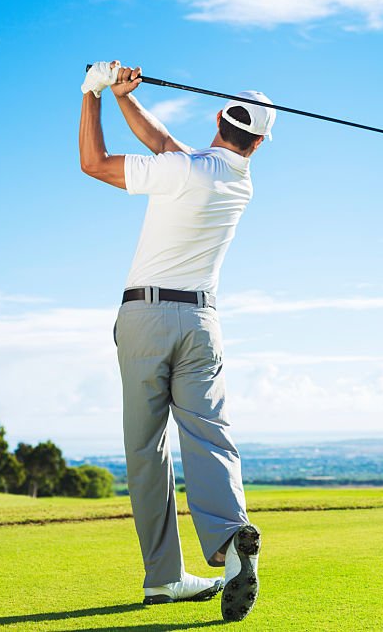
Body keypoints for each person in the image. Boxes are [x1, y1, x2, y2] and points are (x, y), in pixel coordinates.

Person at [78, 61, 271, 622]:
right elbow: (164, 144)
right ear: (258, 141)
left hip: (145, 317)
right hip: (203, 324)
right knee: (209, 437)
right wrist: (122, 97)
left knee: (146, 449)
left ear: (218, 117)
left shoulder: (184, 170)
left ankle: (163, 576)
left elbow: (93, 163)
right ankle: (230, 538)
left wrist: (91, 94)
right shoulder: (237, 180)